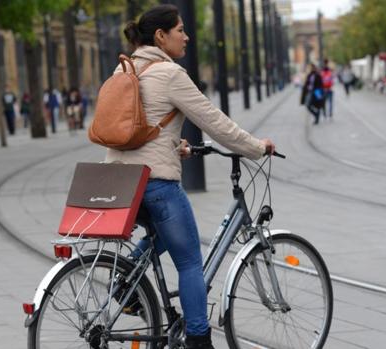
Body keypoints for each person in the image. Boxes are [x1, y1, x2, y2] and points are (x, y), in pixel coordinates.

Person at [103, 5, 275, 348]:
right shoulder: (169, 73)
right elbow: (214, 121)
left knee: (167, 234)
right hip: (155, 183)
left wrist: (173, 145)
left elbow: (134, 127)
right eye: (180, 30)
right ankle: (199, 339)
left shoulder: (124, 69)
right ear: (161, 36)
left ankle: (125, 281)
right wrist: (256, 146)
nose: (187, 36)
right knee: (190, 261)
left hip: (118, 182)